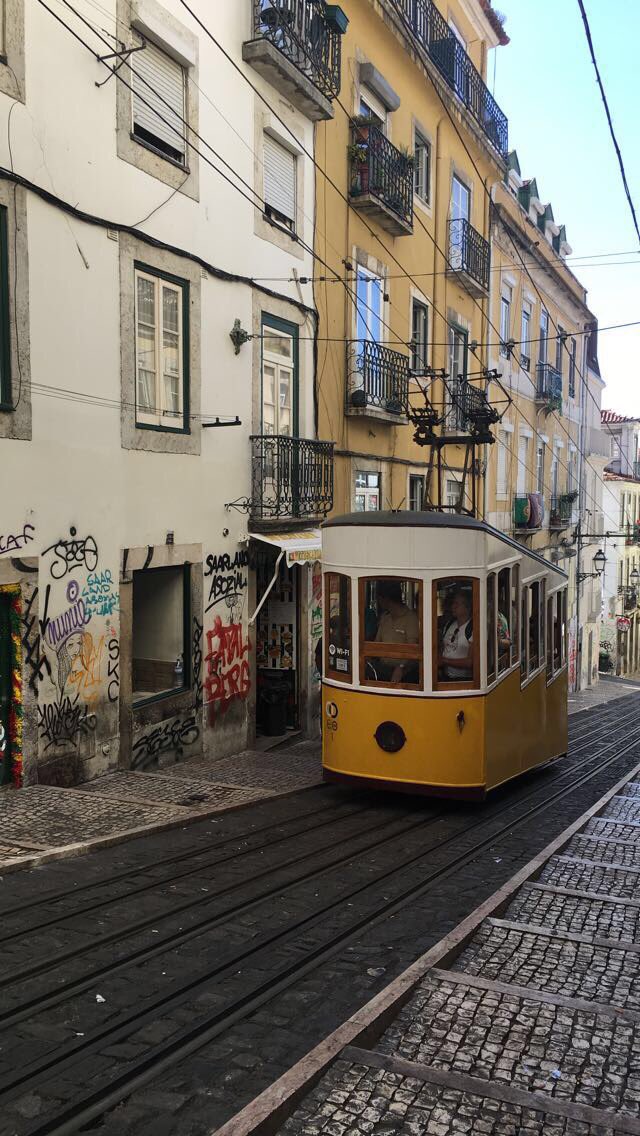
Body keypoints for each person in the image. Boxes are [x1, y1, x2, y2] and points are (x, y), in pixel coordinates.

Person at [372, 580, 419, 682]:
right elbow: (376, 644)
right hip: (383, 670)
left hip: (404, 674)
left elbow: (413, 650)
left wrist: (401, 667)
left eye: (379, 598)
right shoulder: (385, 618)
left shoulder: (411, 618)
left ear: (385, 599)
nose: (378, 601)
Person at [439, 590, 474, 681]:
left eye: (457, 604)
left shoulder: (473, 628)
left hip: (463, 680)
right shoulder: (449, 624)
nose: (453, 606)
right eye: (453, 603)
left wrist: (444, 661)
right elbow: (443, 647)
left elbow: (471, 662)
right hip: (445, 676)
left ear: (467, 607)